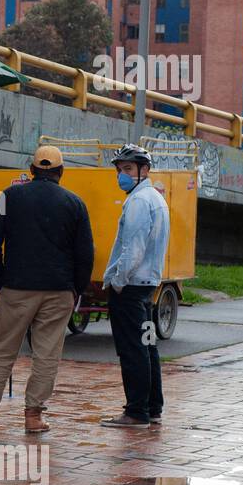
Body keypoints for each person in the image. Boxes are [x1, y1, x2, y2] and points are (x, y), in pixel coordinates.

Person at [0, 146, 94, 433]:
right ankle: (33, 416)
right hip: (58, 290)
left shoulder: (9, 197)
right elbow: (85, 253)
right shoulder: (75, 203)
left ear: (31, 170)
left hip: (16, 286)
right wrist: (76, 288)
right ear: (61, 172)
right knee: (46, 354)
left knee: (2, 350)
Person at [100, 144, 171, 428]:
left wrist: (117, 281)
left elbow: (133, 249)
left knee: (132, 350)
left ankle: (136, 412)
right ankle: (152, 408)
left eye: (128, 169)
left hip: (130, 287)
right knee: (147, 346)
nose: (122, 175)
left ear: (145, 170)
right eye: (119, 170)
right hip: (147, 286)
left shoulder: (139, 201)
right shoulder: (155, 198)